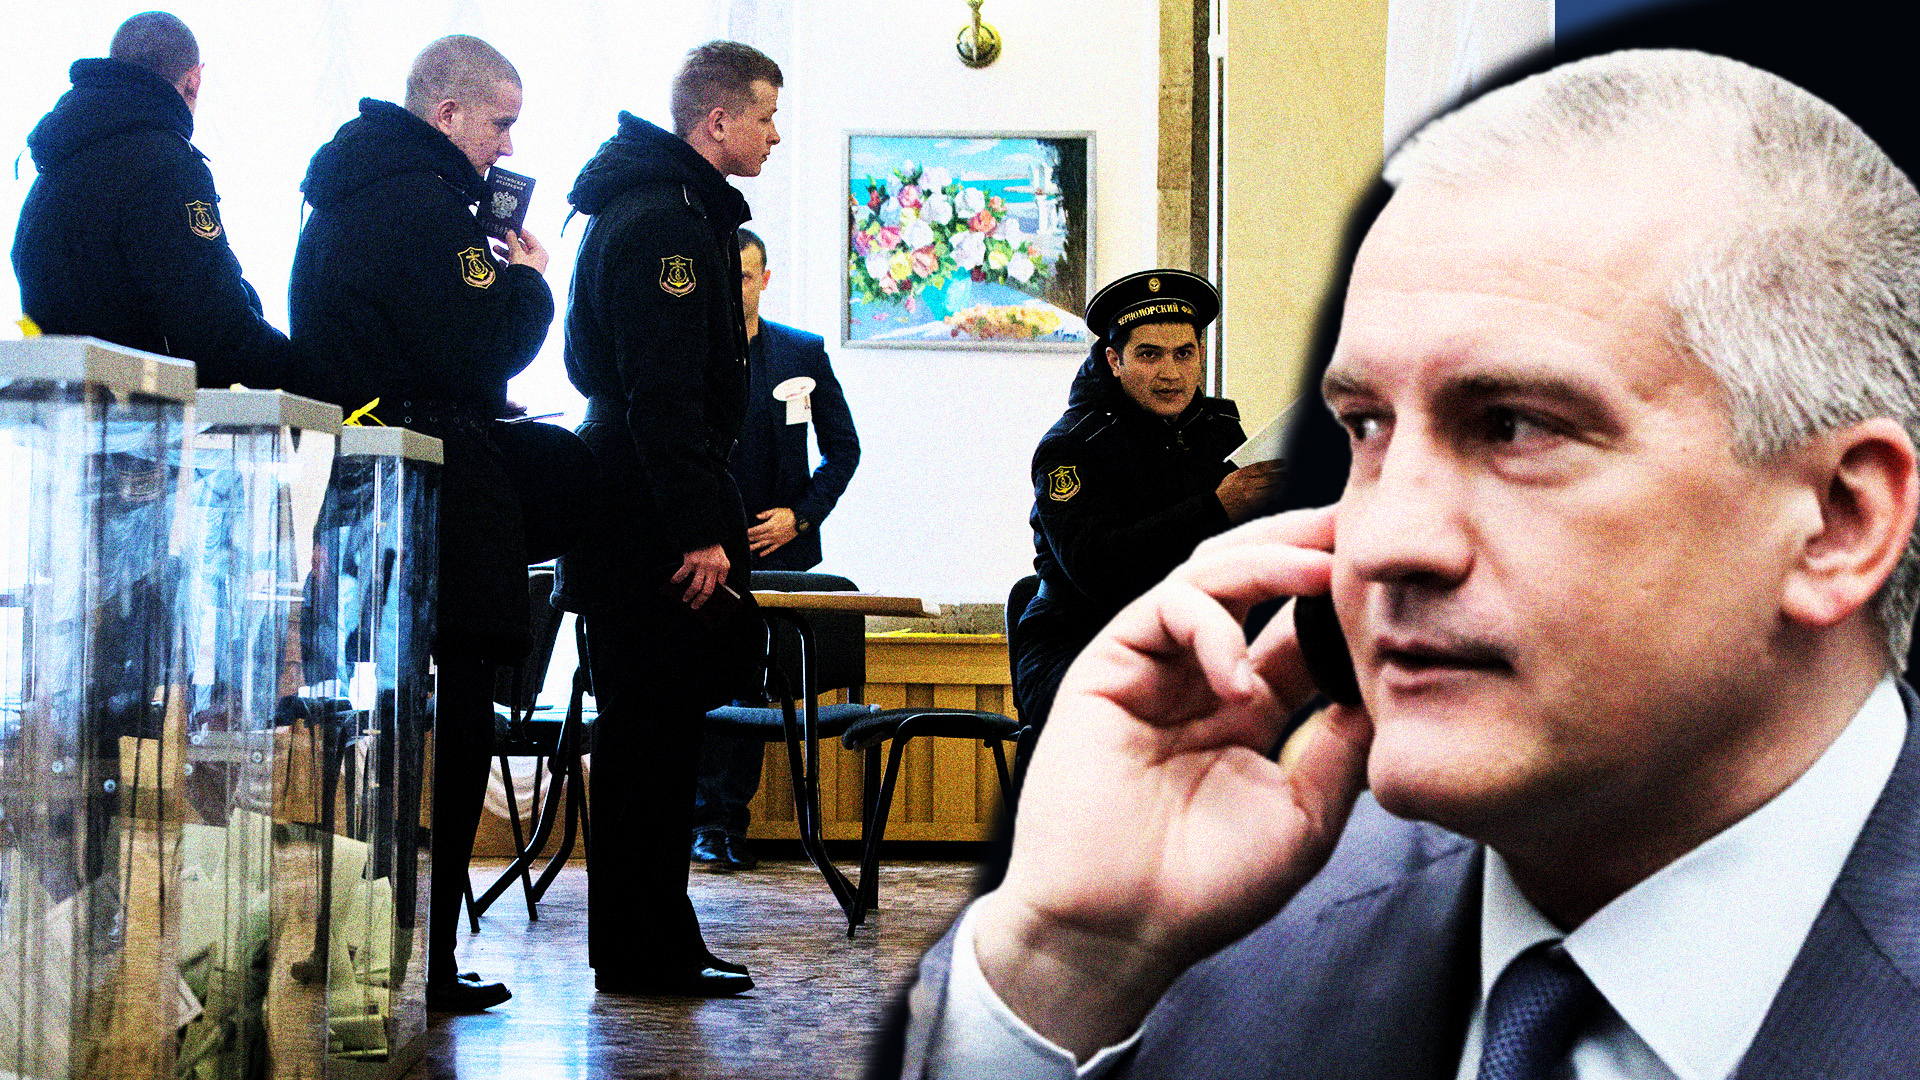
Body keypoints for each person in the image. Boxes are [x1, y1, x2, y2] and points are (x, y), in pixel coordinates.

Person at [881, 48, 1920, 1079]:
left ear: (1838, 521)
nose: (1374, 541)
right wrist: (1067, 964)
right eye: (1367, 427)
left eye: (1514, 426)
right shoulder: (1229, 935)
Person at [290, 34, 584, 1014]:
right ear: (448, 113)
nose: (508, 147)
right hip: (438, 487)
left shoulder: (340, 192)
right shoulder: (427, 203)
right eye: (501, 123)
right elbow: (483, 342)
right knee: (459, 719)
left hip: (354, 481)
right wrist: (528, 279)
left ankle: (348, 944)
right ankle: (432, 960)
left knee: (359, 722)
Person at [554, 40, 783, 997]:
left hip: (635, 495)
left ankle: (654, 941)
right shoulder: (664, 222)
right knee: (649, 739)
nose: (775, 135)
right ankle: (643, 950)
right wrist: (698, 529)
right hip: (647, 512)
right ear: (716, 121)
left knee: (658, 736)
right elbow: (662, 393)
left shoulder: (664, 206)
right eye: (766, 116)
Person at [1011, 269, 1281, 739]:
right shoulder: (1072, 446)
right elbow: (1097, 568)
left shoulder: (1216, 431)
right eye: (1149, 354)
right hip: (1082, 643)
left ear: (1200, 355)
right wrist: (1215, 508)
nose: (1171, 373)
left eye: (1184, 353)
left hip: (1190, 642)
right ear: (1114, 360)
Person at [12, 11, 329, 397]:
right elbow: (211, 323)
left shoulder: (56, 163)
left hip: (62, 417)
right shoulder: (165, 166)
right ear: (194, 79)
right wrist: (304, 377)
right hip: (145, 419)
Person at [691, 226, 861, 872]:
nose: (734, 287)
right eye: (725, 274)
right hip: (704, 551)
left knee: (754, 687)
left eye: (745, 275)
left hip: (778, 555)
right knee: (701, 685)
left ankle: (729, 823)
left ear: (764, 280)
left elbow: (844, 450)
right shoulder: (689, 348)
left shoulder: (801, 353)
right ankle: (699, 821)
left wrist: (801, 516)